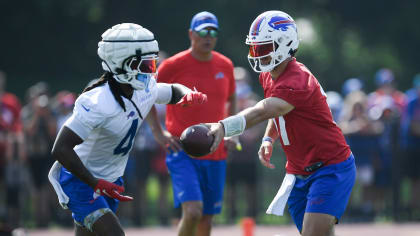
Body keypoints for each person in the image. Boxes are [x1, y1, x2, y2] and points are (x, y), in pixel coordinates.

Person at [203, 11, 356, 236]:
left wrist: (224, 126)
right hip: (299, 170)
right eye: (255, 49)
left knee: (313, 233)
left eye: (264, 48)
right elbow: (280, 112)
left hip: (329, 167)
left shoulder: (297, 80)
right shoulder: (270, 73)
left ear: (285, 44)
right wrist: (268, 137)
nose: (259, 55)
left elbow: (264, 110)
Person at [48, 23, 207, 236]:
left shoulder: (143, 89)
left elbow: (171, 90)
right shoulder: (97, 102)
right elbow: (61, 148)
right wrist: (94, 183)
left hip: (111, 179)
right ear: (121, 64)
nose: (150, 71)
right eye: (144, 65)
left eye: (152, 63)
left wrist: (187, 94)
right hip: (81, 179)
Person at [156, 11, 237, 236]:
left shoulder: (226, 65)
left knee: (206, 221)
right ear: (191, 34)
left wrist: (231, 132)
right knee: (192, 212)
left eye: (213, 31)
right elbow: (146, 97)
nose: (208, 36)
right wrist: (158, 131)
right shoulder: (172, 65)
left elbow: (232, 100)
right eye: (203, 31)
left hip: (215, 150)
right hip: (182, 150)